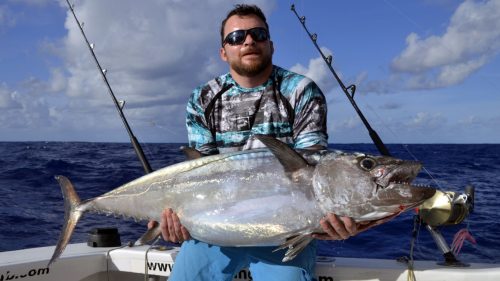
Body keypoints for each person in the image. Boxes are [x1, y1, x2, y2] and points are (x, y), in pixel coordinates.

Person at [150, 4, 386, 281]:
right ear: (223, 52)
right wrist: (170, 215)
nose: (249, 41)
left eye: (258, 34)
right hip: (216, 228)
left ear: (271, 45)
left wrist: (339, 217)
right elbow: (200, 172)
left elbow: (317, 170)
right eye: (237, 37)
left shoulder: (300, 91)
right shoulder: (203, 97)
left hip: (286, 231)